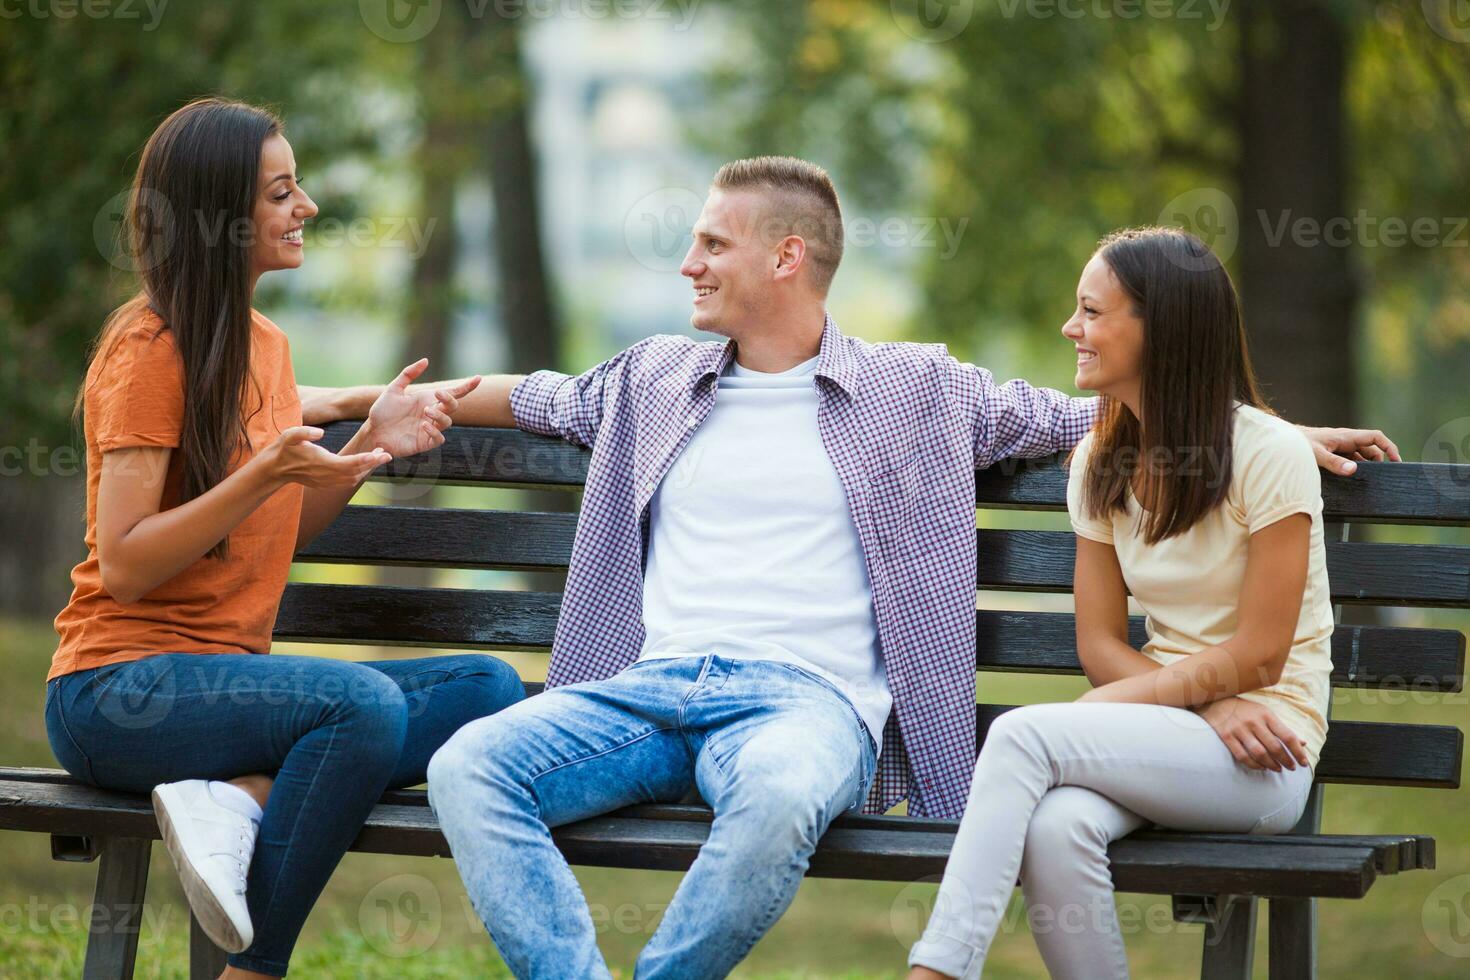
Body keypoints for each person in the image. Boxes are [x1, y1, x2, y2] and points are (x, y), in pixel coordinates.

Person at [321, 158, 1396, 980]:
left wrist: (1271, 430)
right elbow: (533, 393)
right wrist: (365, 403)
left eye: (711, 244)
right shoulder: (651, 376)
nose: (687, 264)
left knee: (781, 798)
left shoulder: (915, 389)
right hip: (641, 695)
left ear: (787, 257)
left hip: (808, 706)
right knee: (471, 767)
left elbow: (1106, 408)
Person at [45, 98, 525, 980]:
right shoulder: (149, 347)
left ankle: (239, 796)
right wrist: (263, 471)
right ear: (220, 214)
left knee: (487, 687)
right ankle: (253, 971)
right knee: (363, 707)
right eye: (281, 191)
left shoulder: (263, 344)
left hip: (226, 693)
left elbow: (271, 536)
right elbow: (128, 564)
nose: (304, 206)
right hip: (119, 692)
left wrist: (358, 455)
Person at [904, 226, 1370, 980]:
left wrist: (1203, 706)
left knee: (1022, 738)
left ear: (1164, 328)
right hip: (1177, 726)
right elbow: (1098, 647)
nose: (1071, 329)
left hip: (1267, 750)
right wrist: (1205, 706)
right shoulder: (1099, 461)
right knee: (1057, 828)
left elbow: (1260, 654)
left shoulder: (1269, 455)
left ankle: (937, 971)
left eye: (1092, 312)